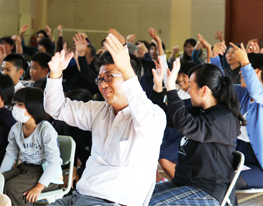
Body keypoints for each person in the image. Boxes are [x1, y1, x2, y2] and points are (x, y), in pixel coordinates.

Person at [44, 33, 166, 205]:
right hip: (78, 197)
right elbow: (56, 108)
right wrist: (55, 74)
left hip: (110, 202)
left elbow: (145, 120)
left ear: (130, 77)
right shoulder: (100, 110)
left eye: (109, 77)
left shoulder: (154, 115)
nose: (102, 84)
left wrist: (126, 69)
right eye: (100, 79)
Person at [149, 58, 244, 206]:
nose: (187, 90)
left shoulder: (224, 119)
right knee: (135, 198)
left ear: (204, 90)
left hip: (208, 190)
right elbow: (167, 116)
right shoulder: (200, 110)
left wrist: (171, 88)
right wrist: (158, 87)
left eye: (191, 86)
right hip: (183, 183)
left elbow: (185, 124)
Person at [212, 44, 263, 190]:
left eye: (244, 69)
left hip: (259, 165)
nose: (240, 72)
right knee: (207, 174)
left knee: (226, 183)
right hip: (239, 153)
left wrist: (245, 62)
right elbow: (222, 86)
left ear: (258, 72)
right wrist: (216, 58)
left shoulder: (259, 95)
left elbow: (257, 92)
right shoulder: (244, 93)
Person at [0, 87, 62, 206]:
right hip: (26, 167)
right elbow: (10, 154)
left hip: (45, 172)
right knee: (0, 181)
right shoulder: (16, 128)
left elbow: (53, 161)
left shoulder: (45, 129)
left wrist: (39, 187)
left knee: (13, 188)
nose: (16, 108)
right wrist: (1, 175)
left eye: (20, 104)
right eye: (15, 104)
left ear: (33, 106)